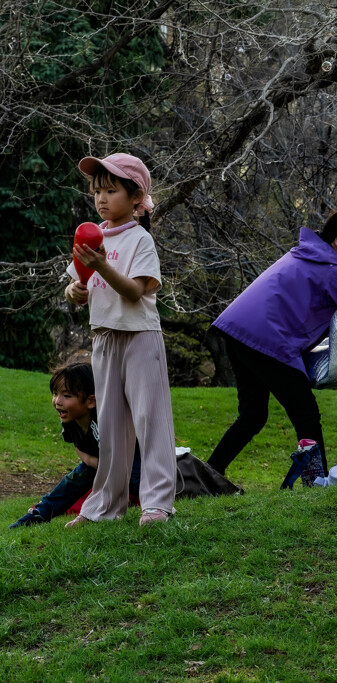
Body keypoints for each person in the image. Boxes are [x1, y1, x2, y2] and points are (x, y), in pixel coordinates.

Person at [207, 209, 337, 484]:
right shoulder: (332, 269)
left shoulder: (306, 254)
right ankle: (315, 481)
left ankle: (209, 474)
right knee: (305, 413)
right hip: (267, 339)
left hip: (237, 332)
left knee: (253, 415)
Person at [64, 153, 178, 526]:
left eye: (111, 191)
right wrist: (75, 291)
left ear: (135, 198)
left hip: (140, 338)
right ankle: (105, 507)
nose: (101, 199)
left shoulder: (139, 239)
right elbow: (78, 285)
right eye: (97, 191)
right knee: (110, 428)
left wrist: (100, 265)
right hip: (105, 339)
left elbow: (133, 292)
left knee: (151, 422)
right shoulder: (92, 236)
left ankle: (157, 504)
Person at [8, 361, 141, 529]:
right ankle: (40, 513)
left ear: (91, 400)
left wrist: (102, 467)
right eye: (55, 393)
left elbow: (120, 453)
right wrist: (93, 463)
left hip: (132, 462)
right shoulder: (70, 420)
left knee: (137, 483)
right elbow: (77, 446)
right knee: (72, 481)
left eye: (67, 396)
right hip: (99, 463)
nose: (58, 401)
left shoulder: (103, 422)